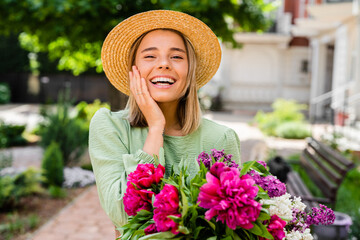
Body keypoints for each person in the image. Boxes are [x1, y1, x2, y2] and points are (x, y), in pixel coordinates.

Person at [89, 9, 241, 235]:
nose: (164, 64)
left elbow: (232, 224)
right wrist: (155, 128)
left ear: (190, 71)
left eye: (177, 56)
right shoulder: (110, 127)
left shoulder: (220, 138)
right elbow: (122, 213)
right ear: (134, 69)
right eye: (150, 56)